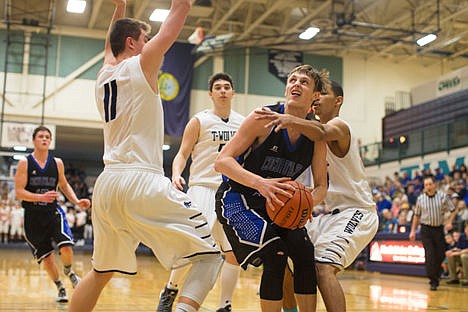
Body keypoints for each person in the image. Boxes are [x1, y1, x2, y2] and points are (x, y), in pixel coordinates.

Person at [69, 1, 223, 311]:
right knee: (211, 255)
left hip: (108, 184)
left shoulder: (103, 76)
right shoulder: (141, 65)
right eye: (144, 39)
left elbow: (110, 46)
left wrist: (120, 8)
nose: (149, 44)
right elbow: (175, 19)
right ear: (132, 43)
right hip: (141, 180)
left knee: (101, 272)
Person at [256, 80, 379, 312]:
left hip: (357, 211)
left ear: (338, 101)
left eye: (323, 94)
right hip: (326, 215)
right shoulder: (307, 138)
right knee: (277, 252)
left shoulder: (338, 126)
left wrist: (289, 118)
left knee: (323, 268)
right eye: (316, 94)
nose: (317, 98)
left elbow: (322, 132)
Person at [215, 64, 329, 312]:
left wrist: (310, 201)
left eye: (304, 82)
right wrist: (260, 183)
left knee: (304, 253)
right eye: (292, 80)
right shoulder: (262, 118)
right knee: (275, 256)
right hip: (238, 198)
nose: (296, 84)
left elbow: (321, 186)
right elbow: (221, 161)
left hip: (276, 204)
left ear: (315, 96)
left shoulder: (316, 135)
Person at [157, 72, 244, 312]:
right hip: (202, 187)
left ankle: (225, 305)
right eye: (218, 87)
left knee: (232, 252)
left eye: (227, 86)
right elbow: (183, 153)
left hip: (231, 191)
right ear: (211, 94)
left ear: (233, 93)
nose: (223, 90)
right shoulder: (199, 120)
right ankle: (171, 289)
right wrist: (176, 174)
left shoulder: (243, 122)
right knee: (193, 246)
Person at [14, 125, 91, 302]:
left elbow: (64, 185)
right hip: (33, 216)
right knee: (47, 259)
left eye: (47, 137)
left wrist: (77, 201)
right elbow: (19, 191)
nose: (44, 139)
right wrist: (39, 196)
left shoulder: (57, 163)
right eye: (41, 136)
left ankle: (69, 271)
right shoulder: (25, 163)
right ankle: (60, 287)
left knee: (66, 247)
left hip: (53, 212)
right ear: (34, 140)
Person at [409, 175, 457, 290]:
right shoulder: (420, 199)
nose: (428, 187)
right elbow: (416, 216)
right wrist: (412, 231)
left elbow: (453, 210)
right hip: (426, 230)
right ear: (424, 187)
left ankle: (437, 272)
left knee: (440, 254)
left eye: (430, 184)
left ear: (434, 185)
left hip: (438, 229)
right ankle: (433, 281)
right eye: (426, 185)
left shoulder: (442, 196)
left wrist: (450, 221)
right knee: (430, 255)